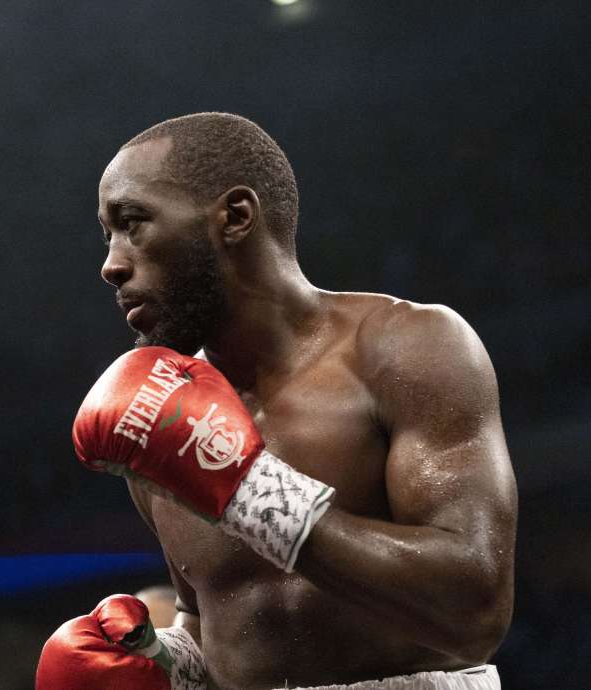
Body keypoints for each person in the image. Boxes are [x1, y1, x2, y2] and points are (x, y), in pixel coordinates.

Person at [36, 113, 517, 689]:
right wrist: (164, 665)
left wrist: (249, 494)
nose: (112, 264)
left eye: (133, 222)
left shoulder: (404, 348)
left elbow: (473, 611)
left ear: (235, 218)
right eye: (107, 234)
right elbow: (220, 617)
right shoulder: (159, 411)